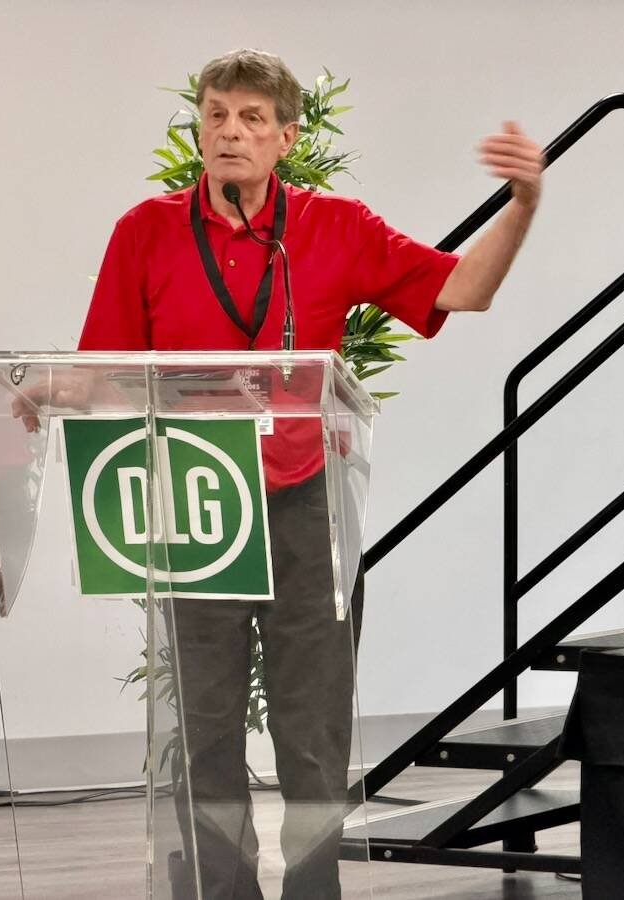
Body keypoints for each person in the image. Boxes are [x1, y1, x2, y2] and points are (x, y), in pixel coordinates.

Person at [73, 48, 543, 899]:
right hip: (197, 506)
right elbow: (100, 367)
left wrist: (523, 203)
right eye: (217, 114)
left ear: (288, 136)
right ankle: (222, 894)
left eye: (253, 119)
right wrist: (40, 393)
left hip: (308, 507)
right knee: (206, 726)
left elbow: (462, 290)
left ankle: (312, 892)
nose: (230, 132)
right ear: (199, 127)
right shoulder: (145, 230)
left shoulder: (336, 227)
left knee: (313, 732)